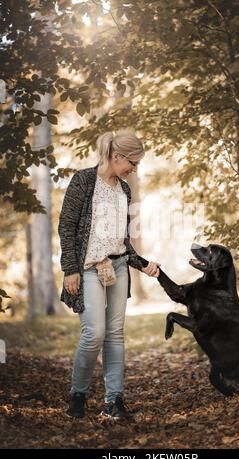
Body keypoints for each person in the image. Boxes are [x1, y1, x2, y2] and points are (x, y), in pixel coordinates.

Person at [58, 129, 160, 420]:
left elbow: (122, 241)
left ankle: (113, 401)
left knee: (115, 335)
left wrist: (142, 264)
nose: (134, 169)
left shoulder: (124, 190)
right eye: (133, 163)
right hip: (88, 268)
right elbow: (66, 227)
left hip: (117, 268)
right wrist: (70, 269)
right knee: (94, 332)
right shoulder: (83, 181)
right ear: (116, 157)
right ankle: (78, 393)